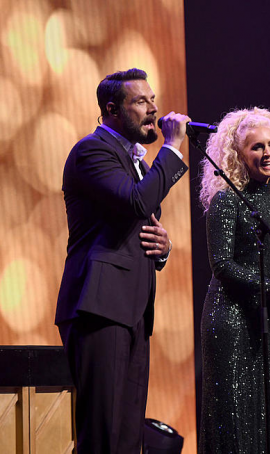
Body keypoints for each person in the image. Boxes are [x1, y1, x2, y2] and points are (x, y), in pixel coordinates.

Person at [55, 68, 191, 453]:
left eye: (153, 99)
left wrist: (162, 249)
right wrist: (173, 148)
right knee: (103, 433)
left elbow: (140, 219)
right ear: (112, 110)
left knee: (129, 438)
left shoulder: (135, 162)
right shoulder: (92, 151)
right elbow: (136, 202)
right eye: (141, 102)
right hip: (99, 307)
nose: (154, 109)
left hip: (131, 310)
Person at [198, 107, 270, 453]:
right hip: (230, 321)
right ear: (237, 155)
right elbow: (222, 266)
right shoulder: (226, 200)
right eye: (256, 147)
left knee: (268, 415)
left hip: (269, 320)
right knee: (232, 419)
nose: (267, 153)